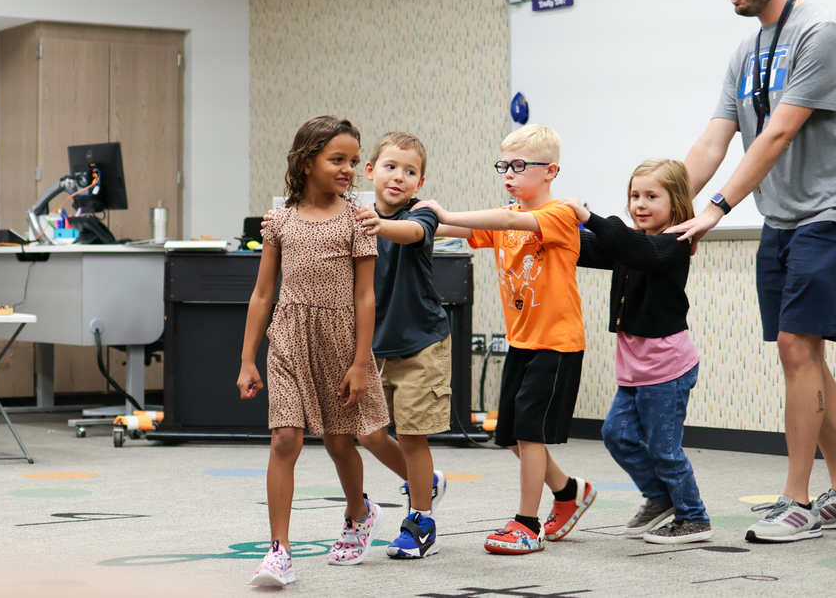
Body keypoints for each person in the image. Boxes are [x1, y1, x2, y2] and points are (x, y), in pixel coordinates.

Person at [669, 0, 836, 542]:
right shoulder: (747, 51)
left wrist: (715, 207)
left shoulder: (824, 34)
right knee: (803, 354)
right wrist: (664, 197)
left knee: (795, 347)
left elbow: (779, 132)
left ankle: (797, 500)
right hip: (785, 217)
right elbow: (716, 138)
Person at [413, 124, 595, 555]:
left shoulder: (559, 215)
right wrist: (397, 219)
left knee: (531, 434)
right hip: (523, 342)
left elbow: (510, 219)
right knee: (511, 436)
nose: (508, 173)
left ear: (550, 171)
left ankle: (527, 524)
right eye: (504, 165)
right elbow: (451, 232)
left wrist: (445, 213)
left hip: (557, 342)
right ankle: (569, 493)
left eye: (519, 165)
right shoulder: (506, 217)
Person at [238, 115, 390, 586]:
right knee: (286, 438)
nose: (349, 168)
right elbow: (263, 293)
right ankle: (278, 551)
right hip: (287, 338)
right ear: (306, 163)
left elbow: (366, 296)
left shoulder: (358, 220)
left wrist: (362, 361)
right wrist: (246, 358)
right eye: (336, 159)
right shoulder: (279, 220)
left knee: (343, 442)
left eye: (352, 160)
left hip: (341, 343)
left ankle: (358, 512)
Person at [562, 159, 712, 545]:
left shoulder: (673, 243)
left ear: (676, 203)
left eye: (651, 196)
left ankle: (694, 517)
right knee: (617, 434)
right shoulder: (632, 243)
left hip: (667, 368)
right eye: (634, 195)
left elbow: (639, 250)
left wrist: (590, 217)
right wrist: (548, 223)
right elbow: (586, 247)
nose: (640, 204)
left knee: (665, 450)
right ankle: (661, 497)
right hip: (635, 366)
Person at [350, 132, 452, 559]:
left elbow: (410, 233)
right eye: (391, 167)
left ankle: (420, 521)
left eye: (410, 172)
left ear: (420, 183)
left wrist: (378, 225)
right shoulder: (353, 216)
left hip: (421, 344)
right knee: (369, 435)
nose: (399, 177)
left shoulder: (420, 215)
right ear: (370, 171)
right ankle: (425, 481)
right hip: (373, 349)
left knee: (412, 436)